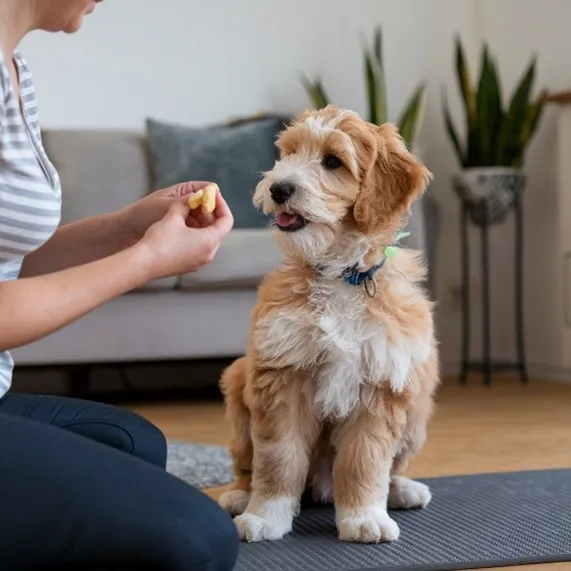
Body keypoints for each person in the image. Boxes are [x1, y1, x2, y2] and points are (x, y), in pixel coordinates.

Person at [0, 1, 240, 569]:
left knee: (132, 444)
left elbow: (13, 260)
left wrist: (126, 230)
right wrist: (146, 262)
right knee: (198, 542)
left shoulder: (16, 73)